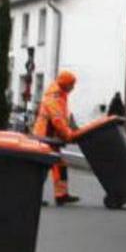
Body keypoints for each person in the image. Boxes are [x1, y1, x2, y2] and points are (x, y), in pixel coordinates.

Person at [33, 70, 80, 206]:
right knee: (44, 166)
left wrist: (72, 129)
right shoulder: (54, 98)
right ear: (65, 84)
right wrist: (69, 135)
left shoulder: (60, 95)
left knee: (58, 164)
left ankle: (61, 195)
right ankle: (34, 196)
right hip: (45, 137)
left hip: (49, 137)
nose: (73, 87)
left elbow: (65, 117)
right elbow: (57, 120)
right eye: (72, 84)